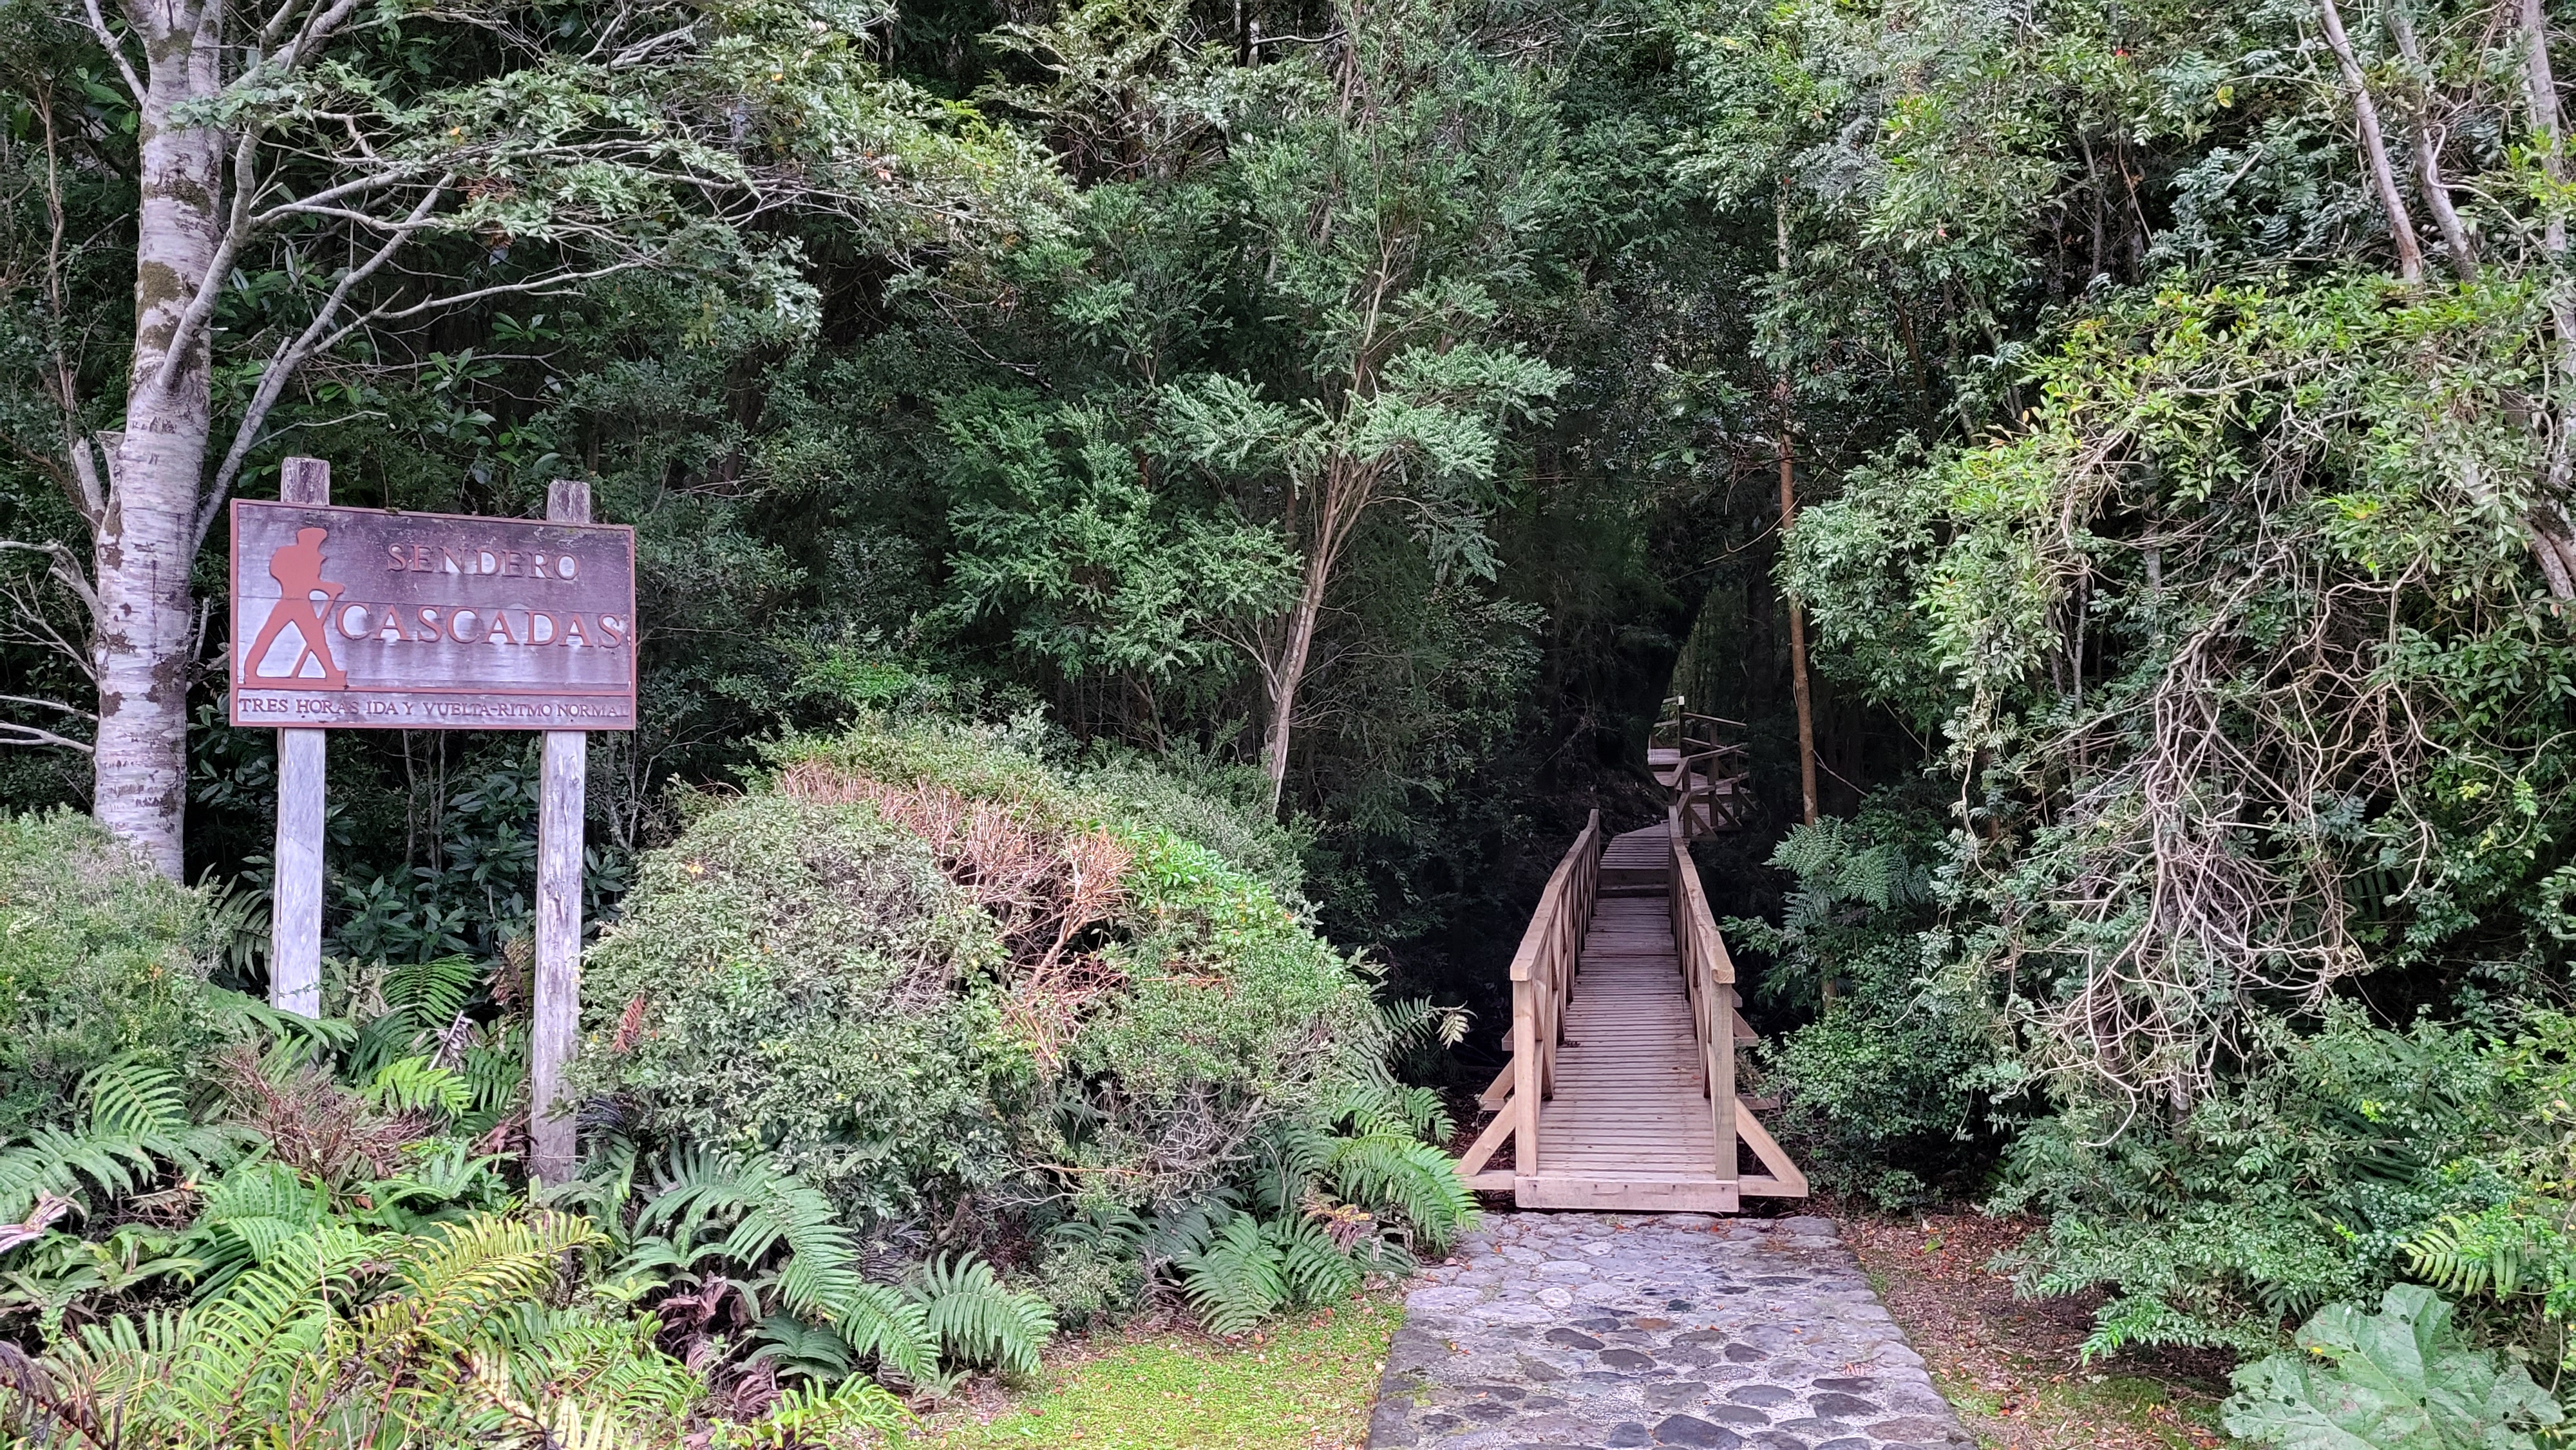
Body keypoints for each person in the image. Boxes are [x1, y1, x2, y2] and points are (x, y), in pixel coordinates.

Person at [245, 527, 348, 687]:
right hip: (289, 601)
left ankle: (331, 672)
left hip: (303, 603)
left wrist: (327, 587)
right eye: (315, 541)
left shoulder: (315, 558)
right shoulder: (287, 553)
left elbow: (311, 582)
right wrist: (327, 587)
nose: (317, 544)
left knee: (317, 638)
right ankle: (250, 671)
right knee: (268, 635)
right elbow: (286, 574)